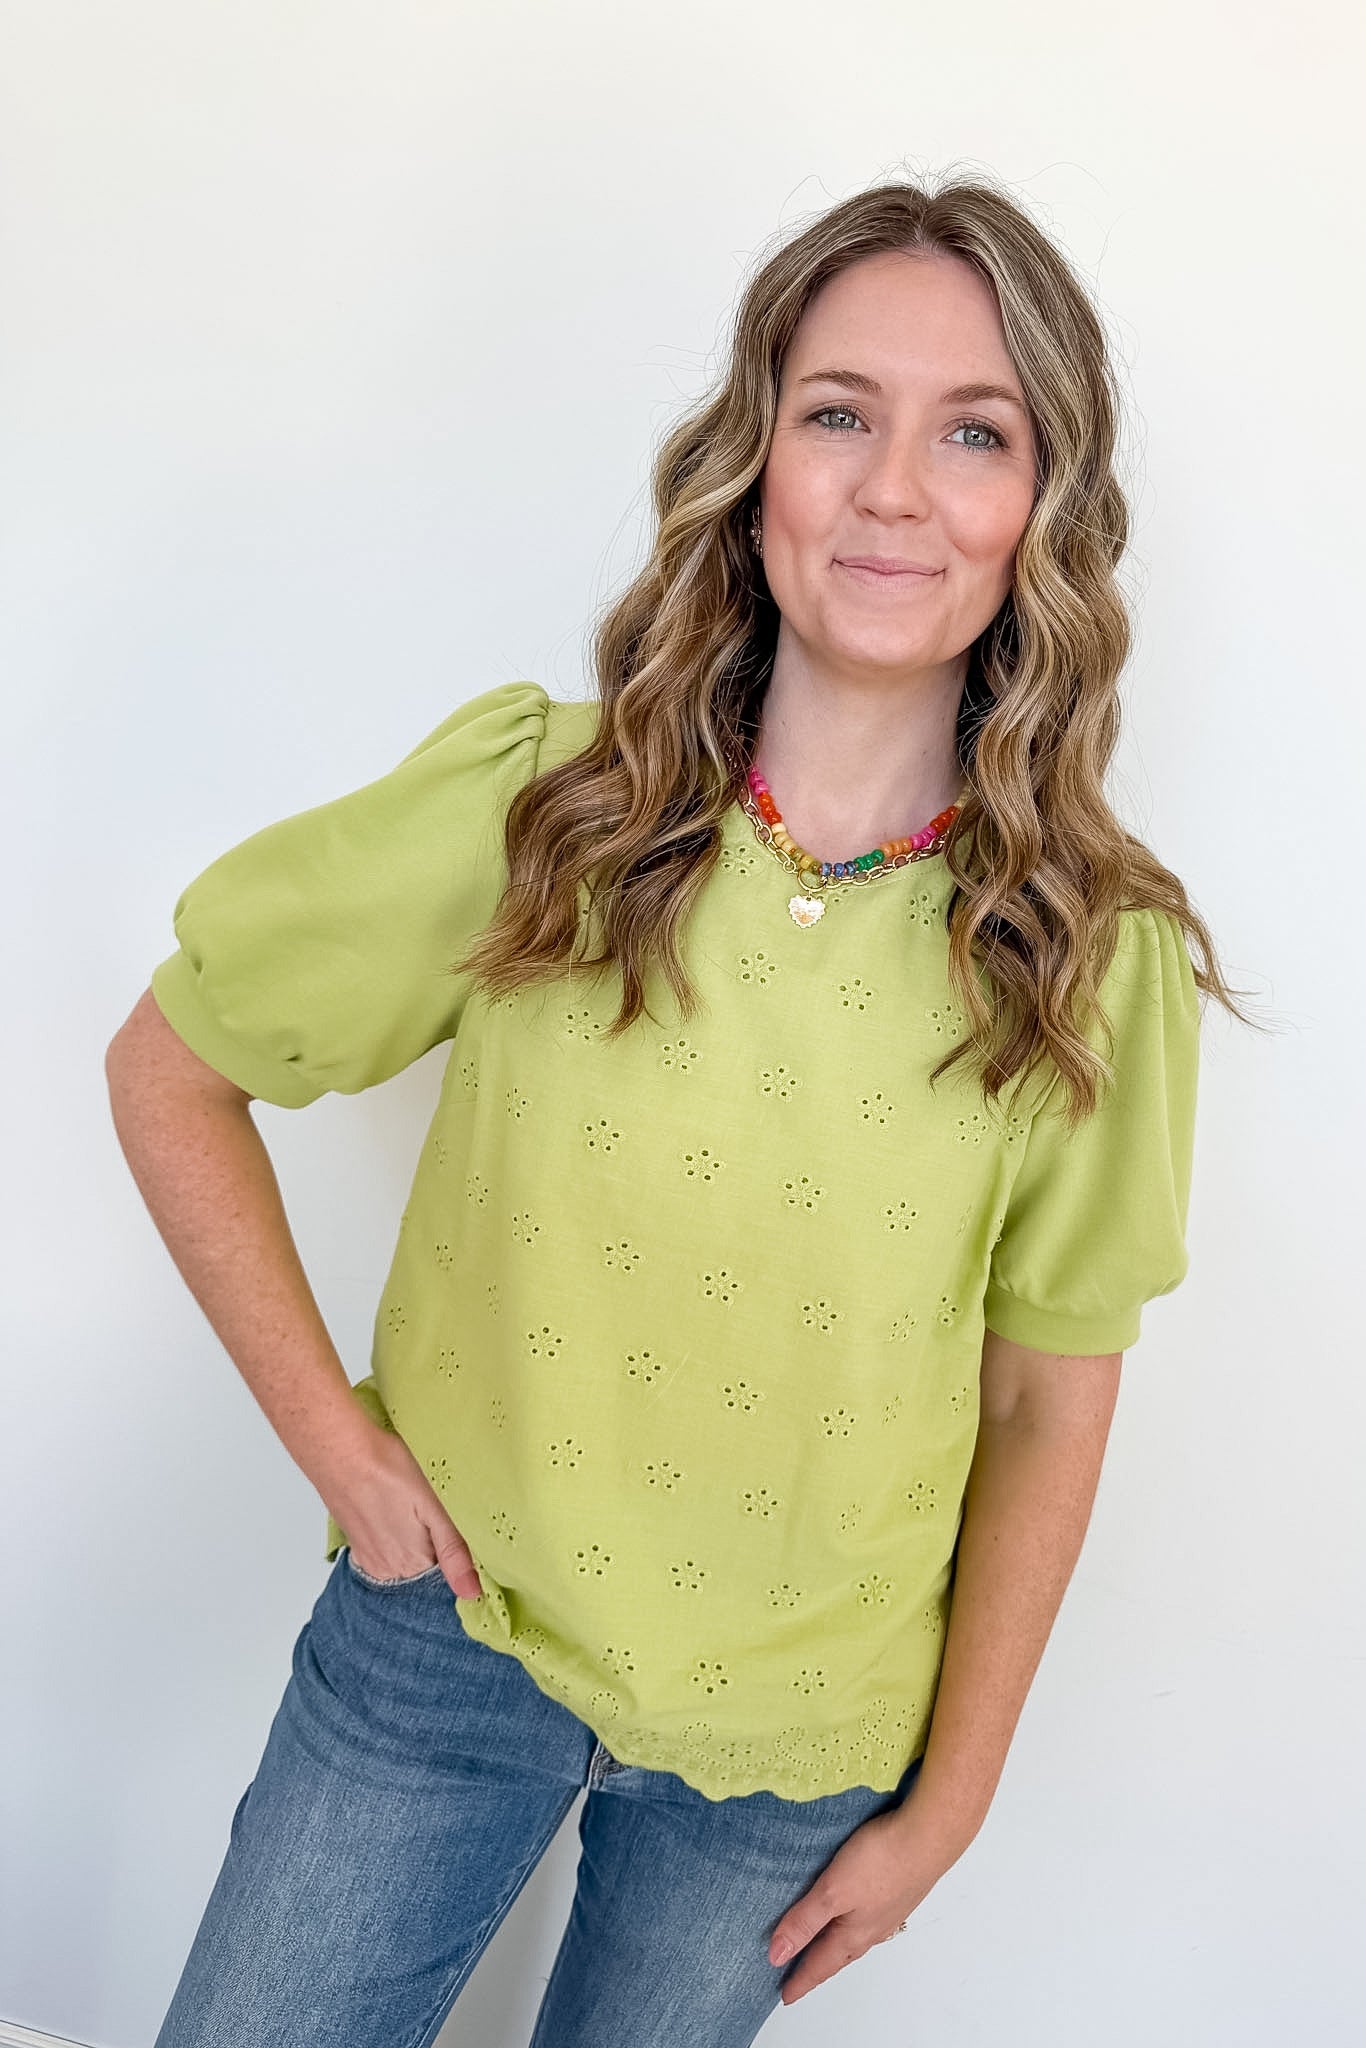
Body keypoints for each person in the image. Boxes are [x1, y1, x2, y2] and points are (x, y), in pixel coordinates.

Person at [106, 174, 1252, 2048]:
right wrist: (343, 1455)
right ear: (756, 463)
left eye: (974, 432)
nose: (894, 487)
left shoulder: (1083, 955)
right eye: (837, 414)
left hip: (792, 1756)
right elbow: (176, 1063)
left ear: (1040, 511)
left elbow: (1048, 1392)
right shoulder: (542, 813)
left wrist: (948, 1806)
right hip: (439, 1645)